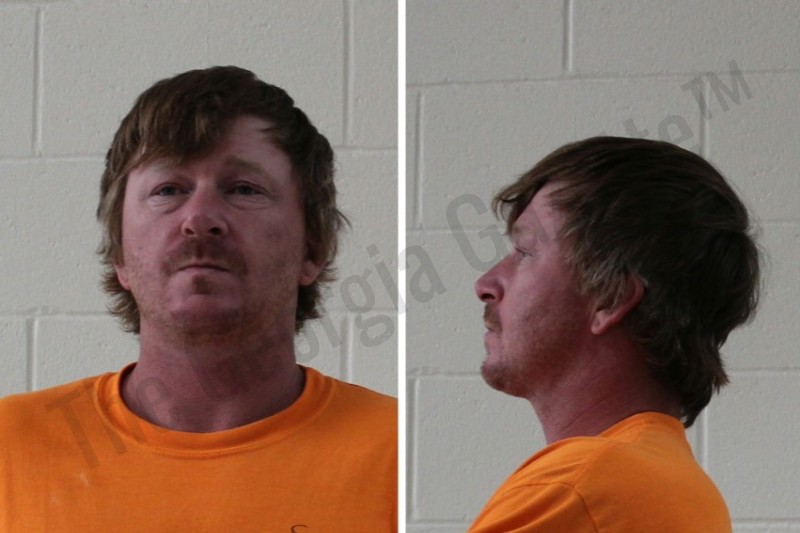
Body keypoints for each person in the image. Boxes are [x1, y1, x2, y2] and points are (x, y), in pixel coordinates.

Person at [0, 66, 396, 531]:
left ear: (312, 249)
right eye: (168, 190)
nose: (201, 219)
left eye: (243, 189)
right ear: (120, 253)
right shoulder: (9, 449)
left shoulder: (392, 453)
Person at [470, 137, 760, 532]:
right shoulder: (684, 490)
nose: (486, 285)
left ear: (611, 297)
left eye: (524, 252)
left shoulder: (578, 489)